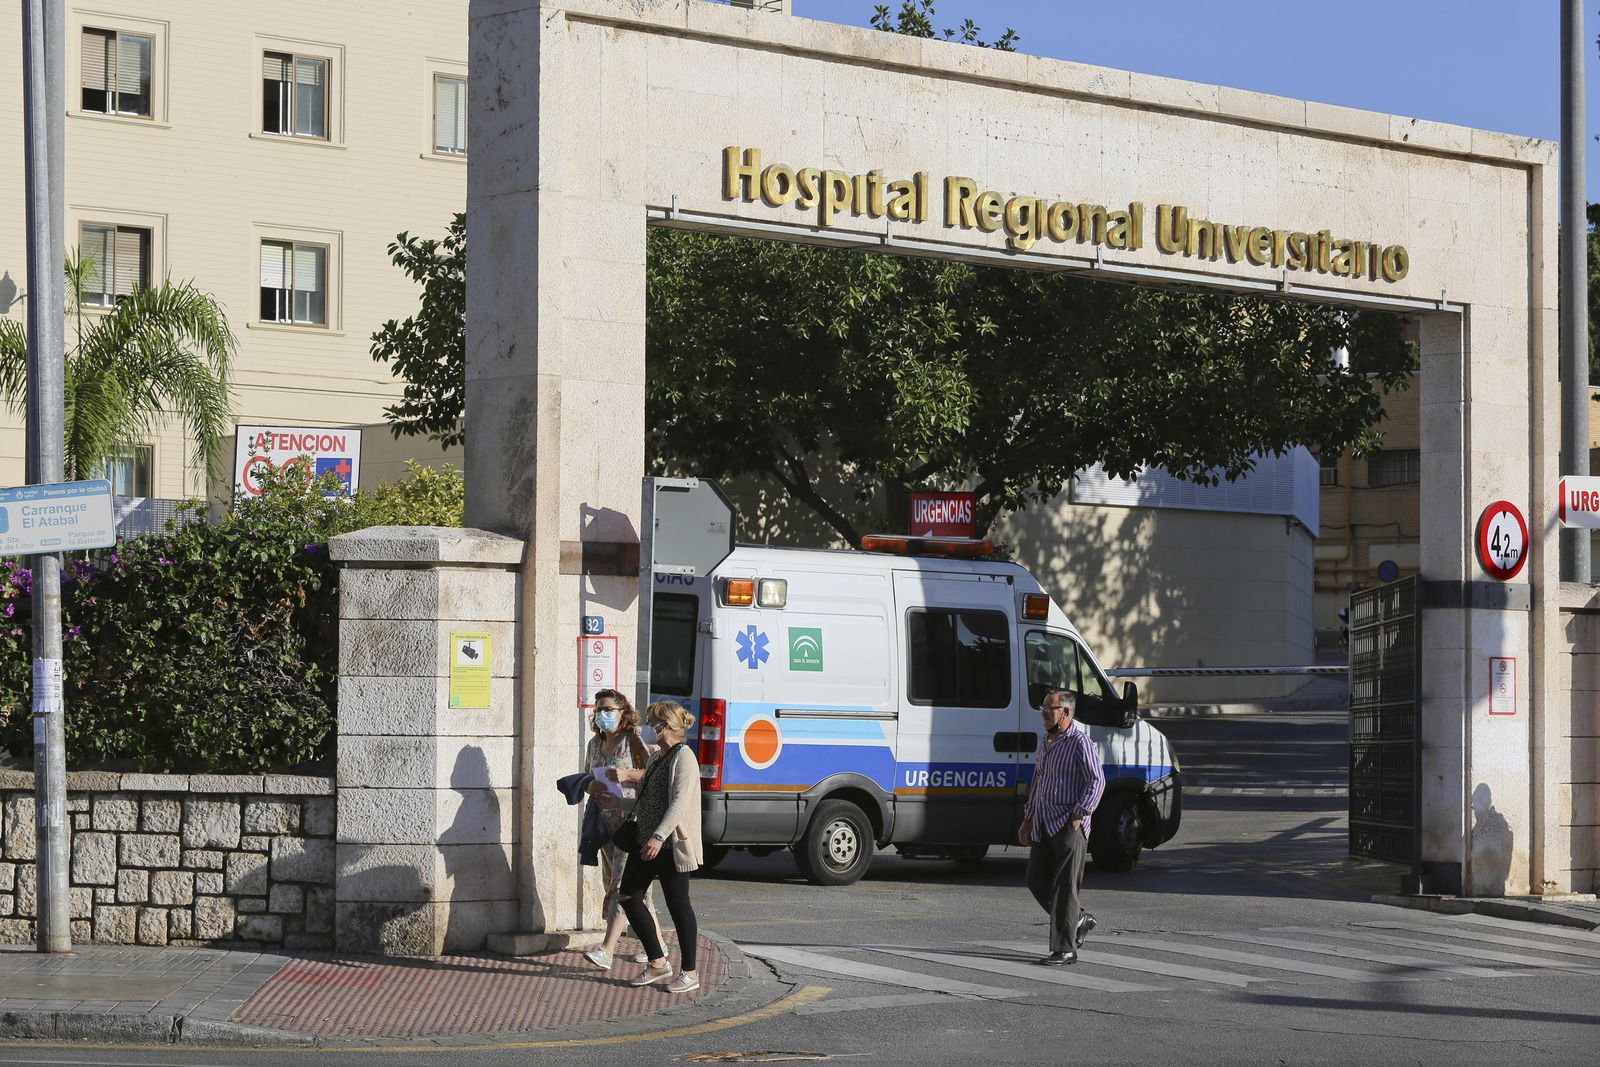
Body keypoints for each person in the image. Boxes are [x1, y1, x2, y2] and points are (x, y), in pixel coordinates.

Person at [611, 700, 705, 993]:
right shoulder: (656, 757)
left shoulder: (685, 757)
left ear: (664, 726)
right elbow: (647, 800)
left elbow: (679, 803)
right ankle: (657, 961)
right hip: (645, 841)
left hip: (668, 845)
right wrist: (619, 803)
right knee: (628, 895)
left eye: (652, 722)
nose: (647, 728)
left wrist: (659, 836)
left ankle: (689, 972)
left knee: (679, 906)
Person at [1018, 689, 1105, 966]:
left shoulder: (1080, 743)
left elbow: (1096, 781)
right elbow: (1039, 783)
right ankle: (1078, 919)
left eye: (1048, 707)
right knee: (1035, 879)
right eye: (1043, 707)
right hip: (1044, 823)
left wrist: (1081, 812)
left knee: (1065, 888)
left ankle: (1065, 949)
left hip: (1069, 825)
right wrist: (1028, 819)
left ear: (1065, 712)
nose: (1043, 712)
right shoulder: (1047, 742)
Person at [579, 690, 664, 972]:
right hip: (605, 826)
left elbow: (656, 773)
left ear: (623, 711)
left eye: (609, 709)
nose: (603, 714)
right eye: (599, 709)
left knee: (620, 886)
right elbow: (587, 775)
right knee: (638, 892)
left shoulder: (635, 739)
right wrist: (589, 784)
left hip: (633, 824)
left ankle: (607, 949)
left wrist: (627, 775)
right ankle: (659, 946)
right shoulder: (595, 744)